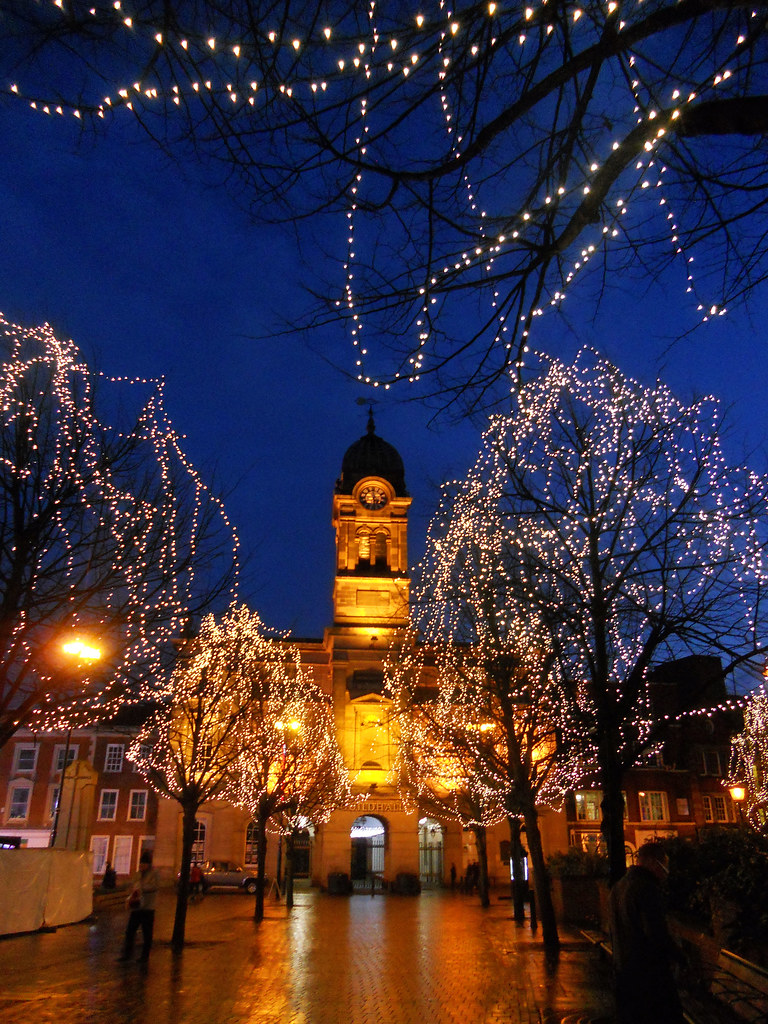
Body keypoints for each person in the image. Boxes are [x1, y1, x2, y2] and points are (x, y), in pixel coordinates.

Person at [609, 841, 685, 1024]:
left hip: (624, 973)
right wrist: (679, 956)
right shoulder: (646, 889)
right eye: (663, 863)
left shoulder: (619, 887)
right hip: (648, 978)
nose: (665, 870)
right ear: (652, 862)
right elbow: (656, 933)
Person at [118, 850, 159, 964]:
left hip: (148, 908)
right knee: (130, 931)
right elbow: (133, 884)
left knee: (147, 933)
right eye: (140, 864)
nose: (141, 866)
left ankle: (144, 957)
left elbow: (154, 886)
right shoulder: (138, 874)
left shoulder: (154, 874)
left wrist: (141, 887)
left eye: (143, 864)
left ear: (148, 865)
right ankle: (127, 954)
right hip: (137, 907)